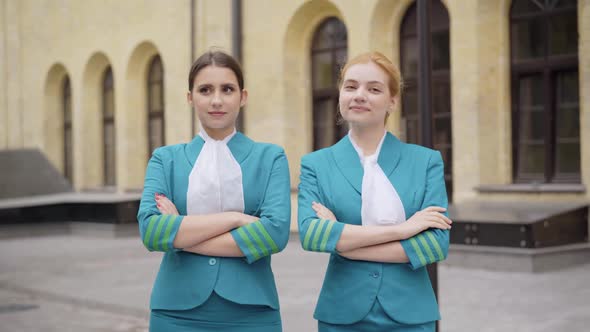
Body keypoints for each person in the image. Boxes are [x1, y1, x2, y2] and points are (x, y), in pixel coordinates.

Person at [297, 51, 452, 332]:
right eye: (351, 86)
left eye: (374, 89)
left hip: (411, 316)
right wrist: (404, 230)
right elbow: (312, 236)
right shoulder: (315, 165)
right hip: (342, 315)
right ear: (341, 94)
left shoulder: (425, 161)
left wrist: (344, 241)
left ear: (392, 101)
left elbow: (434, 245)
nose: (359, 95)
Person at [137, 50, 291, 332]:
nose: (217, 100)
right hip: (175, 313)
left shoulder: (270, 158)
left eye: (227, 89)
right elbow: (151, 231)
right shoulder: (165, 159)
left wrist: (180, 235)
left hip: (253, 312)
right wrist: (236, 218)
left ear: (242, 97)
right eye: (205, 90)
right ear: (190, 97)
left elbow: (275, 235)